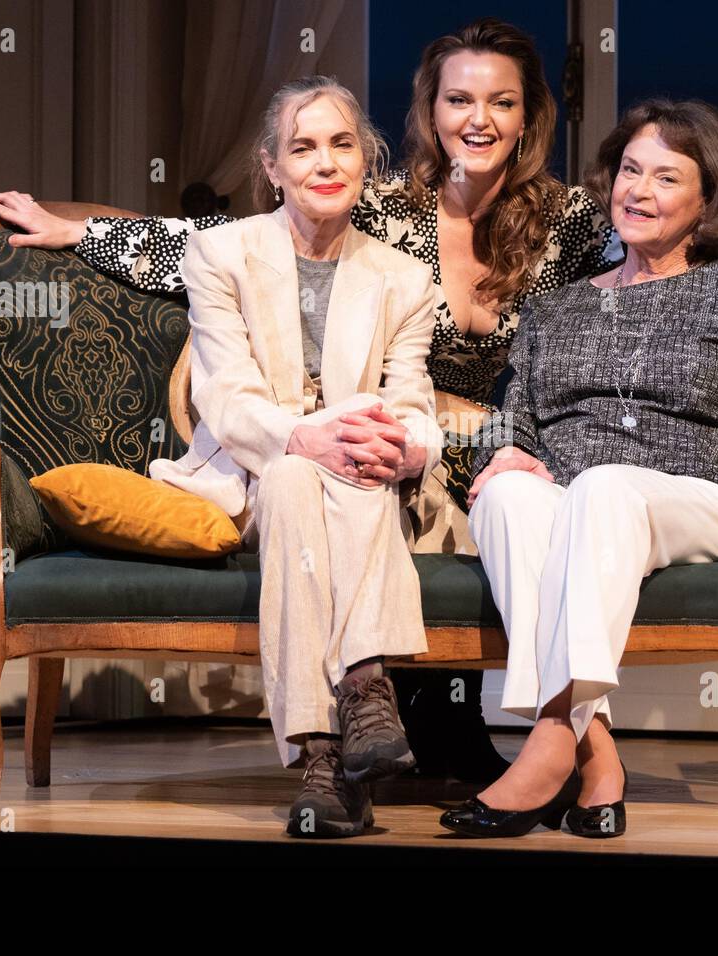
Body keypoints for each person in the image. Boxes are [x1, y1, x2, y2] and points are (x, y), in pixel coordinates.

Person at [0, 18, 718, 784]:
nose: (479, 117)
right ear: (430, 111)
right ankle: (436, 736)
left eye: (502, 100)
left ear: (530, 114)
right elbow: (215, 240)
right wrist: (78, 230)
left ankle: (515, 740)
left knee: (502, 490)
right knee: (404, 484)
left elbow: (700, 222)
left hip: (511, 439)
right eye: (459, 98)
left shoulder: (571, 220)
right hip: (396, 433)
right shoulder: (381, 209)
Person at [439, 98, 718, 839]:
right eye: (630, 170)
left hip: (703, 499)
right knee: (507, 494)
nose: (638, 190)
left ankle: (547, 741)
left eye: (666, 177)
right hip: (578, 497)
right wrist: (504, 448)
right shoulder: (557, 308)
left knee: (604, 486)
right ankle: (597, 756)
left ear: (708, 202)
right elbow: (511, 415)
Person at [144, 75, 443, 838]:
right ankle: (367, 690)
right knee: (288, 470)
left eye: (342, 144)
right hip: (251, 475)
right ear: (272, 167)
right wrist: (307, 436)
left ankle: (321, 762)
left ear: (365, 161)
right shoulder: (221, 253)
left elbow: (411, 403)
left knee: (352, 468)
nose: (325, 162)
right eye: (302, 147)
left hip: (359, 484)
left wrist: (401, 445)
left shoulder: (404, 279)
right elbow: (227, 396)